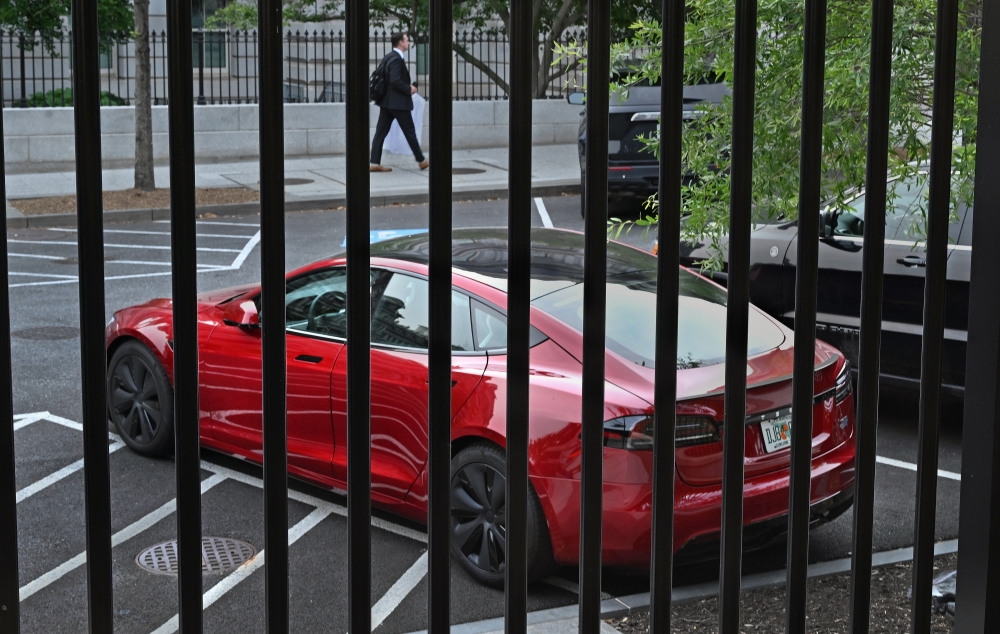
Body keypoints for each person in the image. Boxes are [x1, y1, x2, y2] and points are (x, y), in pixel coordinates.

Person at [370, 33, 428, 172]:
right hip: (398, 103)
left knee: (380, 132)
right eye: (407, 40)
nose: (409, 43)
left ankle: (374, 163)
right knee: (410, 132)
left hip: (387, 102)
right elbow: (395, 80)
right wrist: (410, 88)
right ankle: (421, 160)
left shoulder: (389, 56)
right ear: (401, 42)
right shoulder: (396, 59)